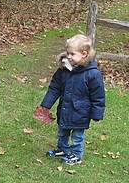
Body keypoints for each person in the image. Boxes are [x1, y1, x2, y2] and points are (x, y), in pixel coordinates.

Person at [34, 34, 105, 165]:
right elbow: (54, 87)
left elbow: (98, 96)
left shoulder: (93, 74)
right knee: (62, 131)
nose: (68, 57)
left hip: (81, 112)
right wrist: (46, 105)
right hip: (65, 108)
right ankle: (62, 148)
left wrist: (97, 113)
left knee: (77, 136)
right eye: (67, 53)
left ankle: (76, 155)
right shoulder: (64, 69)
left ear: (84, 54)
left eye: (72, 54)